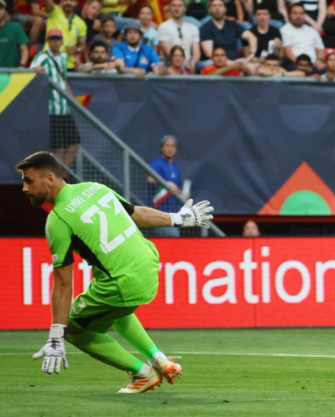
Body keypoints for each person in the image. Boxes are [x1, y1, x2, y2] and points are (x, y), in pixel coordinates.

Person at [17, 151, 213, 392]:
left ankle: (143, 374)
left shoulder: (57, 220)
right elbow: (137, 214)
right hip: (149, 266)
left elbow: (63, 284)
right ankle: (158, 357)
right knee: (110, 307)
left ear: (49, 179)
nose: (24, 188)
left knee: (73, 328)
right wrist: (179, 218)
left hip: (122, 283)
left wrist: (56, 335)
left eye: (29, 181)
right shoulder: (95, 188)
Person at [30, 29, 81, 180]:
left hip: (65, 108)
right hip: (52, 110)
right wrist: (36, 69)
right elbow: (32, 67)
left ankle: (61, 177)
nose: (55, 42)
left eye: (57, 39)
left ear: (61, 41)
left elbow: (63, 78)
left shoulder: (63, 57)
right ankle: (55, 178)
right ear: (47, 41)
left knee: (74, 145)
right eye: (52, 39)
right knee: (58, 148)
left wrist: (71, 98)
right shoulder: (43, 57)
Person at [147, 136, 189, 238]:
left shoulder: (175, 166)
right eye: (167, 145)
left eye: (173, 146)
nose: (170, 149)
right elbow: (150, 179)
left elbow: (176, 188)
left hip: (173, 213)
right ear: (161, 148)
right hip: (159, 212)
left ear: (176, 149)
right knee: (173, 239)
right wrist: (166, 184)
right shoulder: (157, 163)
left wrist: (183, 193)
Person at [200, 0, 257, 66]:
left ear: (225, 9)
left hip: (235, 60)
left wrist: (251, 54)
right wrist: (229, 63)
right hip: (214, 61)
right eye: (214, 6)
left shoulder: (233, 25)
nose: (217, 8)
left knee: (251, 66)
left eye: (220, 5)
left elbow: (252, 37)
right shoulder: (205, 28)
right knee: (207, 64)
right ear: (209, 9)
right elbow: (208, 53)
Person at [43, 0, 87, 70]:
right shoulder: (54, 12)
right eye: (65, 0)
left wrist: (76, 49)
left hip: (69, 64)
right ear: (61, 2)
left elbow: (82, 46)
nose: (68, 2)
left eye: (71, 0)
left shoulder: (81, 23)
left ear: (76, 3)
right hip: (50, 61)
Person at [159, 0, 201, 73]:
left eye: (179, 6)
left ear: (185, 9)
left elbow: (196, 52)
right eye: (174, 6)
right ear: (170, 8)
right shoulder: (163, 26)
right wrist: (184, 63)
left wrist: (193, 63)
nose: (176, 8)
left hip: (190, 62)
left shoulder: (193, 27)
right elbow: (168, 52)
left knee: (208, 64)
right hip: (171, 62)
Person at [281, 4, 325, 71]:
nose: (298, 16)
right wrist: (303, 65)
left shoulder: (312, 30)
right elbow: (288, 52)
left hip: (313, 64)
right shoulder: (284, 30)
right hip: (294, 64)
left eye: (301, 13)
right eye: (295, 13)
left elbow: (320, 50)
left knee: (324, 70)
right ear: (289, 15)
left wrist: (318, 60)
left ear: (304, 15)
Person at [0, 0, 29, 68]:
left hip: (12, 74)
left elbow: (24, 50)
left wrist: (21, 66)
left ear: (6, 12)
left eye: (0, 9)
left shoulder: (16, 27)